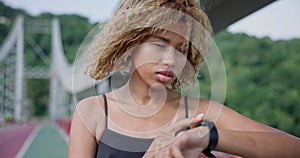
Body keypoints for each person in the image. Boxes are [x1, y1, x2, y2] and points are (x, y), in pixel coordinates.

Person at [68, 0, 300, 157]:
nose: (171, 60)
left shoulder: (201, 112)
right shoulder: (92, 111)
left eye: (181, 50)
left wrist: (208, 137)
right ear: (129, 43)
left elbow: (293, 148)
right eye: (160, 44)